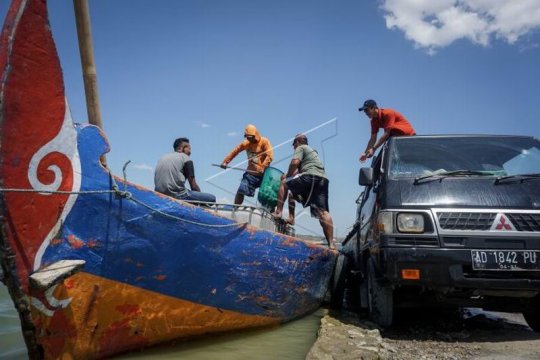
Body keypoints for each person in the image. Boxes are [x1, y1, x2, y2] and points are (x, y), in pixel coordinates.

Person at [272, 134, 335, 249]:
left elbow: (294, 163)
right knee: (322, 213)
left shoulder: (301, 148)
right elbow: (298, 171)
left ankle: (278, 212)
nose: (293, 147)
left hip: (310, 178)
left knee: (284, 183)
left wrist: (286, 176)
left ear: (298, 142)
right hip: (323, 180)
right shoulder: (313, 153)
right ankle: (331, 244)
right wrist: (288, 175)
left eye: (293, 144)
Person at [221, 124, 273, 205]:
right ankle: (235, 210)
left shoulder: (264, 141)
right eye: (247, 137)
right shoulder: (246, 143)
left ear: (256, 135)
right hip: (251, 174)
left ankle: (271, 213)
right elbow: (235, 151)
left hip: (264, 175)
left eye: (251, 137)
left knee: (267, 196)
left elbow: (270, 156)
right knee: (241, 190)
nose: (249, 139)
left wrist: (263, 167)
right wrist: (225, 162)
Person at [154, 137, 216, 203]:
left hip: (159, 194)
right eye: (188, 148)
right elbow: (193, 186)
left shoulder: (163, 157)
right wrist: (200, 199)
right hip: (178, 195)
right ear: (179, 149)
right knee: (212, 198)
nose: (190, 151)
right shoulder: (186, 158)